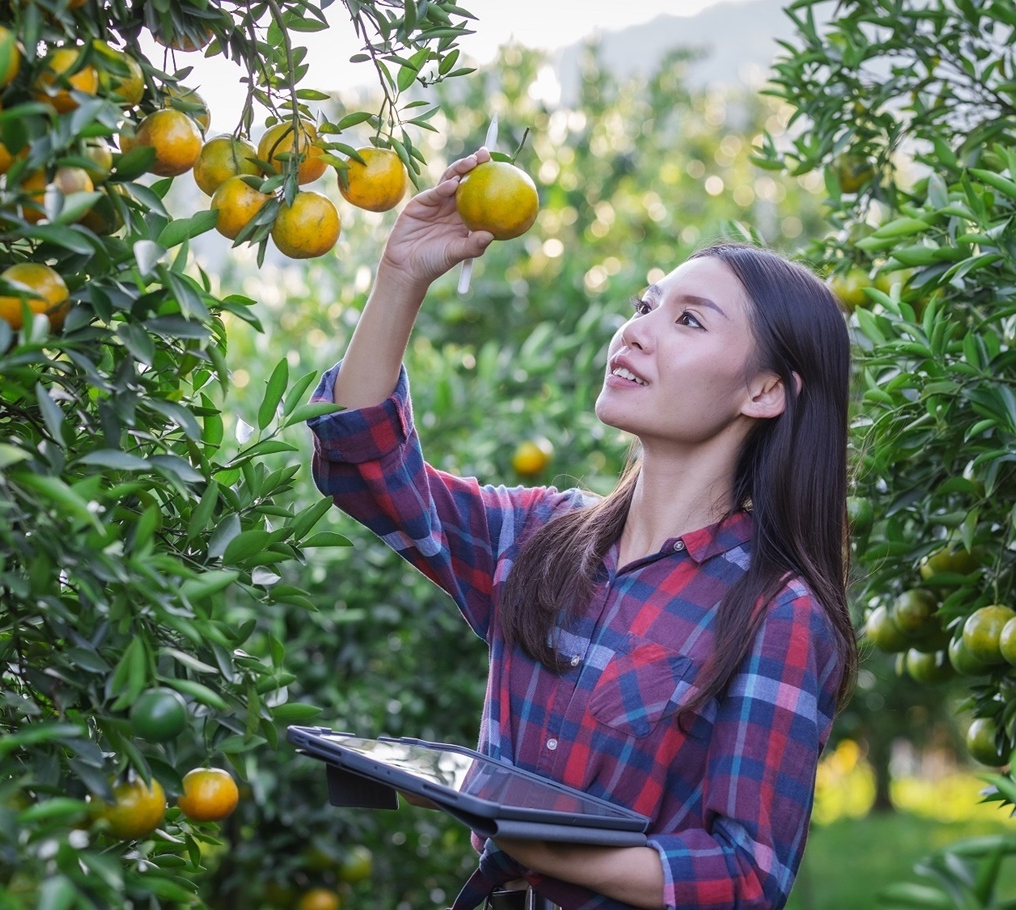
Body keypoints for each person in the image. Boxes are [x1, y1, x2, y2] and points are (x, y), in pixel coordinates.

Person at [306, 148, 858, 910]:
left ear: (764, 391)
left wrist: (538, 842)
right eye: (644, 306)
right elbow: (368, 471)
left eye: (687, 319)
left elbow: (743, 875)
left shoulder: (775, 611)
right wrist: (401, 276)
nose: (635, 332)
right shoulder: (541, 538)